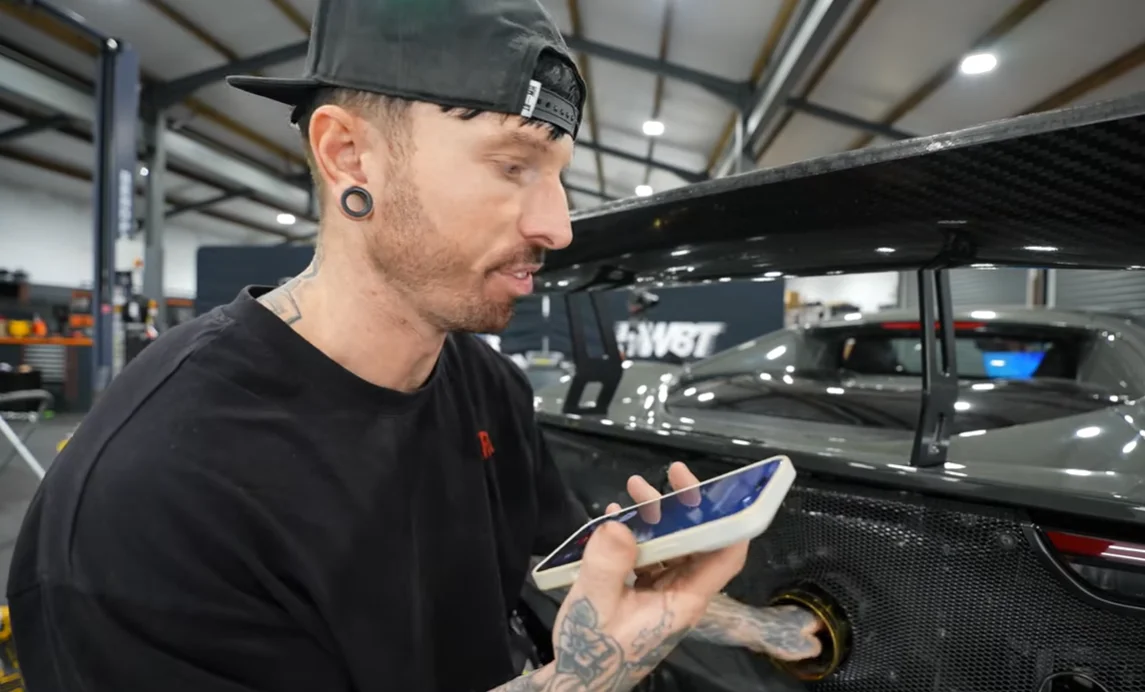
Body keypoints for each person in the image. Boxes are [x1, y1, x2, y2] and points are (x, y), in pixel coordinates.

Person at [5, 0, 823, 690]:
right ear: (348, 154)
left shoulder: (484, 384)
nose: (558, 225)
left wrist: (769, 629)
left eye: (558, 174)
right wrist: (583, 679)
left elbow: (556, 558)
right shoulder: (152, 499)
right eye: (512, 165)